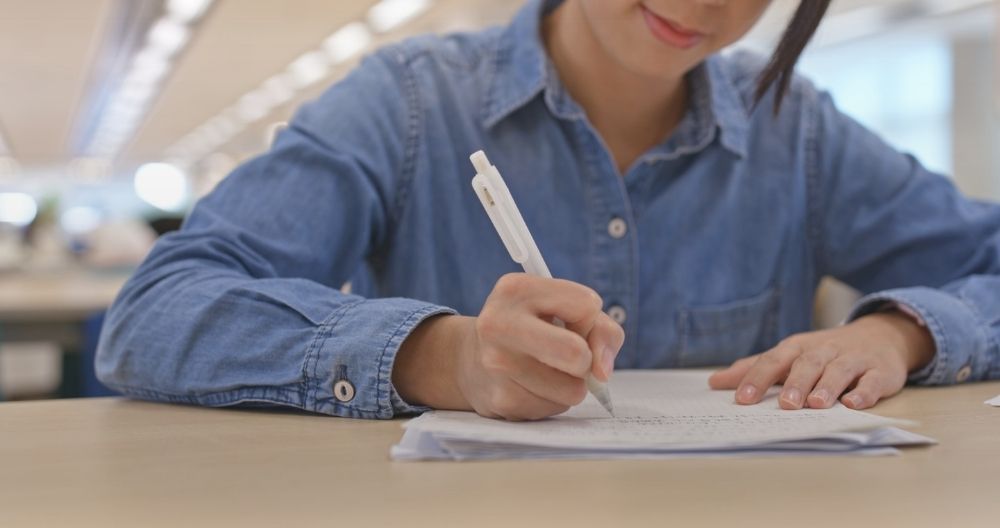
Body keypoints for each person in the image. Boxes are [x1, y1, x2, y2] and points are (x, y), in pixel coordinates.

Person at [97, 0, 1000, 421]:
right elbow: (154, 313)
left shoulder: (796, 130)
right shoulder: (410, 104)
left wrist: (901, 334)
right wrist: (437, 357)